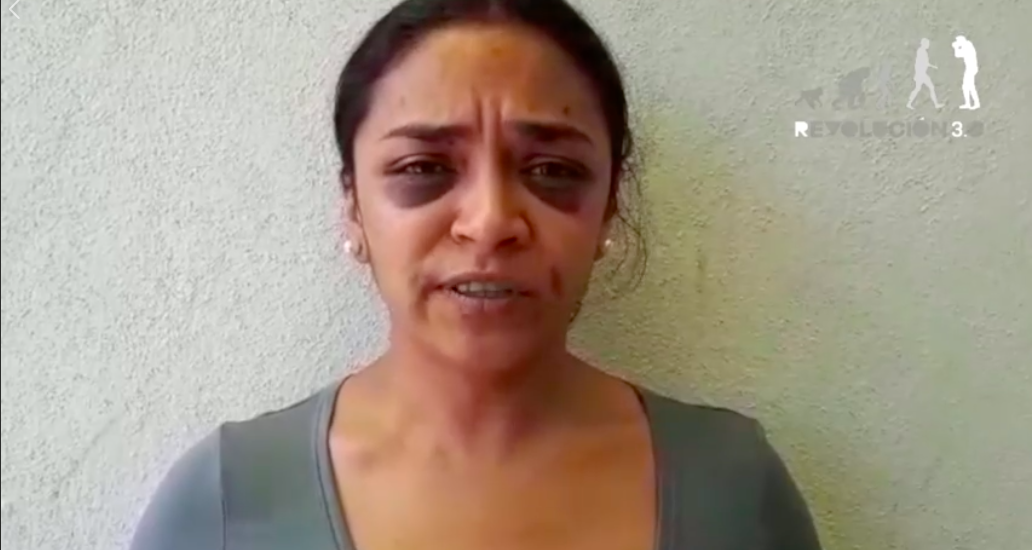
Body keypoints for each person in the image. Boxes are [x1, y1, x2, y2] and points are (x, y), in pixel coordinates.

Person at [129, 0, 823, 549]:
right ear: (354, 208)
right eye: (423, 168)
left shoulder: (734, 490)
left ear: (608, 206)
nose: (490, 222)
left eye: (552, 171)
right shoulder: (227, 500)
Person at [907, 38, 945, 109]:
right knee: (929, 88)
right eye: (927, 44)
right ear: (924, 44)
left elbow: (925, 63)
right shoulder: (922, 52)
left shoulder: (922, 51)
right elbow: (920, 63)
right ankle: (936, 104)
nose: (928, 45)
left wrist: (933, 67)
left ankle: (909, 103)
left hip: (922, 74)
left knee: (920, 88)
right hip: (921, 74)